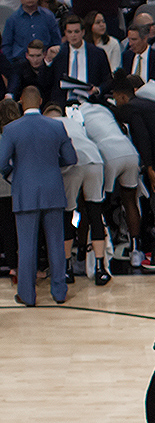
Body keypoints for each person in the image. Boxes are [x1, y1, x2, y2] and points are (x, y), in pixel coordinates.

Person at [3, 96, 76, 307]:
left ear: (21, 102)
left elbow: (1, 161)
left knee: (26, 246)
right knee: (56, 243)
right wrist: (51, 164)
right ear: (41, 101)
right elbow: (71, 158)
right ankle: (60, 292)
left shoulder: (11, 129)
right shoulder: (57, 126)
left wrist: (13, 174)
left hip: (25, 191)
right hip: (53, 190)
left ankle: (27, 295)